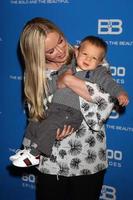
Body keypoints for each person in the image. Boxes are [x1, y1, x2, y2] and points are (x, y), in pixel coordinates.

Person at [10, 17, 129, 200]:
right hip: (51, 162)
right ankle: (31, 153)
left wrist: (67, 80)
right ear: (37, 54)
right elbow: (34, 110)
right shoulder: (35, 74)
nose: (60, 50)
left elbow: (105, 102)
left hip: (88, 158)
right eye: (50, 51)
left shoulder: (88, 53)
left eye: (60, 41)